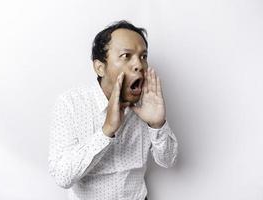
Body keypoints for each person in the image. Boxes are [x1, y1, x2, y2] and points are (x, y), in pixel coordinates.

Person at [48, 20, 178, 200]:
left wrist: (157, 125)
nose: (139, 65)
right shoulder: (70, 104)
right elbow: (62, 176)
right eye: (126, 55)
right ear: (100, 67)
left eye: (143, 56)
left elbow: (168, 160)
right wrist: (106, 131)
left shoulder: (145, 104)